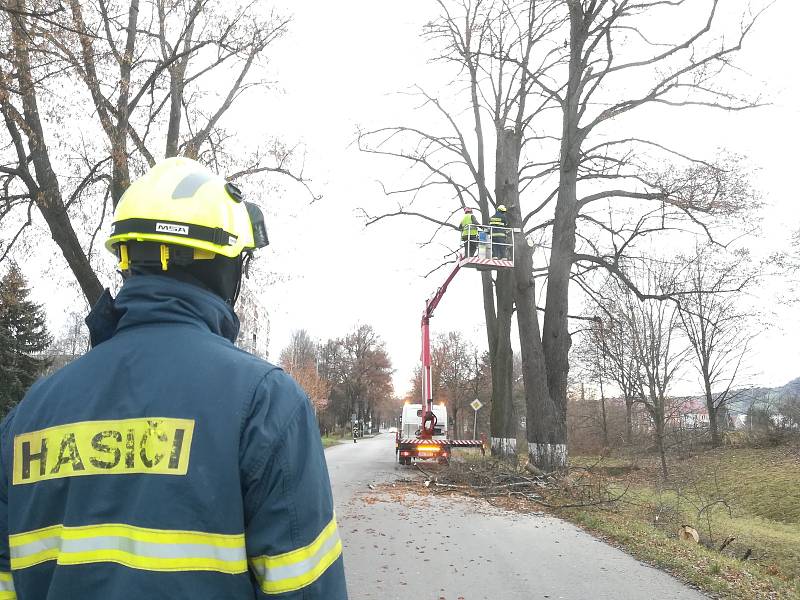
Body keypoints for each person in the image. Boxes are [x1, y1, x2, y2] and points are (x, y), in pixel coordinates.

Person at [0, 158, 347, 600]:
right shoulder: (265, 404)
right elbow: (306, 590)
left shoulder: (30, 414)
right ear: (225, 269)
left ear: (127, 260)